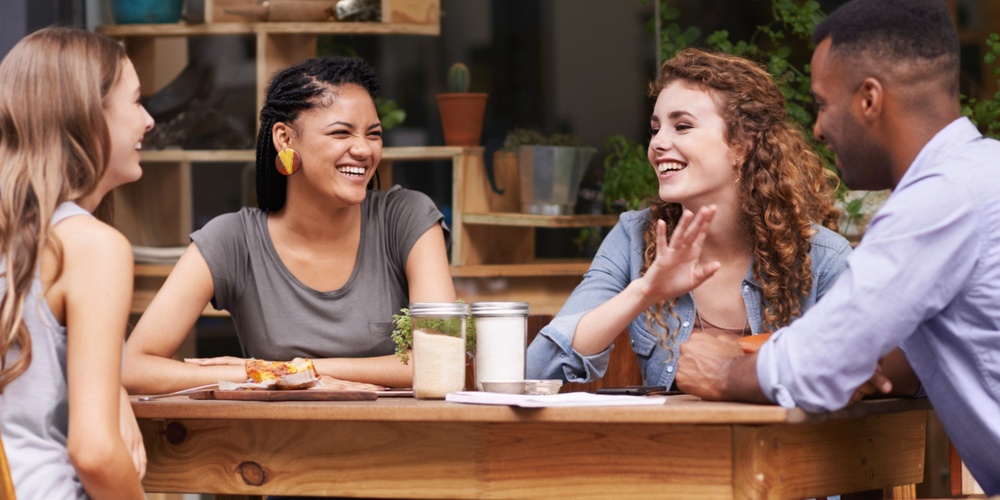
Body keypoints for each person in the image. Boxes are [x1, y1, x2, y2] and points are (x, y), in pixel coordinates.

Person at [675, 0, 1000, 493]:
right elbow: (906, 352)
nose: (818, 128)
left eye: (824, 104)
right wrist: (858, 356)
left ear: (870, 99)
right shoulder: (983, 174)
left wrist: (722, 372)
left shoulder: (939, 200)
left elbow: (817, 364)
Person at [123, 56, 456, 395]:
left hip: (402, 443)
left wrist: (296, 372)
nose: (363, 149)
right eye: (341, 132)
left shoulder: (406, 219)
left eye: (373, 135)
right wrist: (261, 376)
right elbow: (134, 367)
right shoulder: (233, 240)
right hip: (274, 445)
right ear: (285, 138)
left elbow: (443, 359)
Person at [526, 48, 852, 388]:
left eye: (682, 126)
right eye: (655, 129)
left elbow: (869, 376)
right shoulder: (635, 236)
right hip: (670, 442)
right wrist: (645, 291)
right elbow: (536, 371)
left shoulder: (822, 257)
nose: (658, 143)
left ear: (741, 146)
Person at [0, 27, 154, 499]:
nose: (148, 120)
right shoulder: (91, 246)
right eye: (135, 101)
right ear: (87, 114)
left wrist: (114, 393)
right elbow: (95, 452)